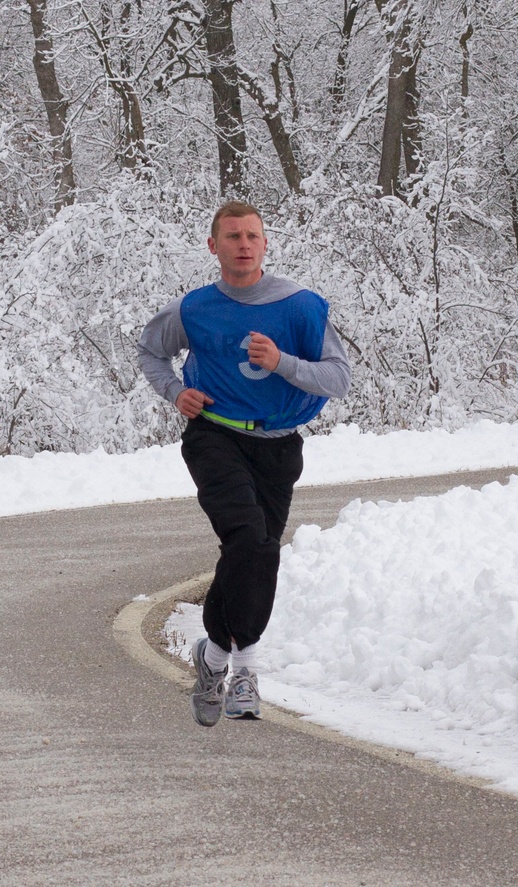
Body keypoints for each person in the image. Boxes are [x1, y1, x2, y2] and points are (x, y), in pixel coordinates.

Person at [137, 200, 351, 727]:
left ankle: (212, 656)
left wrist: (282, 362)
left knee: (257, 553)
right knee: (249, 538)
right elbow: (149, 352)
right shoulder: (194, 308)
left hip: (278, 446)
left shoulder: (300, 307)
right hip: (214, 436)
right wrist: (176, 392)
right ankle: (247, 669)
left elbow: (338, 379)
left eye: (252, 235)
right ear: (214, 246)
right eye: (232, 236)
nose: (243, 244)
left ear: (265, 243)